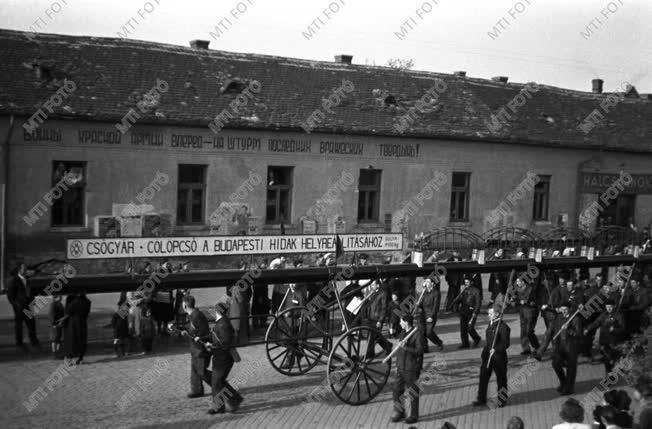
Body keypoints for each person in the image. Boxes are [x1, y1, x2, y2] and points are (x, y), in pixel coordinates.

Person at [534, 302, 582, 395]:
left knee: (571, 369)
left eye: (566, 310)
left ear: (569, 309)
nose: (563, 312)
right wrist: (540, 351)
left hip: (571, 347)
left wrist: (568, 330)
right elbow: (548, 334)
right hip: (559, 347)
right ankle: (563, 382)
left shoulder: (576, 319)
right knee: (556, 364)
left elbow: (579, 334)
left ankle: (569, 388)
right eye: (562, 309)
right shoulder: (557, 318)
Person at [206, 302, 244, 415]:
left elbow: (224, 343)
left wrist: (211, 346)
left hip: (223, 359)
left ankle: (218, 407)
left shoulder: (223, 325)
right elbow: (216, 338)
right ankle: (235, 399)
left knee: (217, 382)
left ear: (217, 312)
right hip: (221, 358)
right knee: (219, 382)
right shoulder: (221, 323)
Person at [473, 306, 510, 408]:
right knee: (483, 377)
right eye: (488, 313)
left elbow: (506, 343)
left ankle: (502, 400)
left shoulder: (503, 327)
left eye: (490, 314)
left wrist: (496, 349)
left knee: (501, 379)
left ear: (497, 314)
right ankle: (481, 398)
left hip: (498, 358)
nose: (488, 315)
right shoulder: (491, 323)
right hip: (488, 356)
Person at [390, 313, 424, 425]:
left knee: (413, 392)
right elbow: (399, 351)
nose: (400, 323)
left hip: (411, 368)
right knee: (396, 389)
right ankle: (400, 412)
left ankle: (414, 415)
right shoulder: (403, 332)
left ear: (406, 322)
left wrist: (406, 347)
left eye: (401, 321)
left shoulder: (417, 334)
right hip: (401, 367)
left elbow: (419, 351)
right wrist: (396, 365)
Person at [182, 295, 212, 398]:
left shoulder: (197, 316)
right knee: (195, 370)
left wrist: (197, 337)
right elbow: (191, 329)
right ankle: (196, 390)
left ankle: (220, 385)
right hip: (195, 349)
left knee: (201, 371)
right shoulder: (192, 315)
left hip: (200, 349)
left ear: (185, 305)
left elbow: (203, 333)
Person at [584, 299, 625, 374]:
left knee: (614, 357)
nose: (609, 308)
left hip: (614, 340)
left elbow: (622, 327)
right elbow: (596, 323)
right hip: (604, 339)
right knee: (606, 358)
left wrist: (615, 329)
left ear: (614, 306)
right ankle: (608, 373)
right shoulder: (603, 314)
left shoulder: (619, 315)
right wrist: (588, 329)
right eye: (607, 307)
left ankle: (617, 370)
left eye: (610, 307)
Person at [6, 262, 39, 347]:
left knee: (31, 324)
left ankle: (34, 341)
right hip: (19, 307)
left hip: (28, 306)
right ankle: (19, 343)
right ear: (19, 270)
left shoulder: (27, 279)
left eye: (26, 268)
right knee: (19, 325)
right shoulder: (14, 280)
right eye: (23, 268)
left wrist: (32, 300)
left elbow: (29, 291)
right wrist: (16, 305)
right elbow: (10, 295)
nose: (25, 270)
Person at [364, 280, 392, 359]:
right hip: (371, 317)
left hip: (377, 319)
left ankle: (369, 354)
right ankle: (388, 345)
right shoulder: (372, 293)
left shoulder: (383, 294)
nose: (372, 286)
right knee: (375, 336)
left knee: (372, 337)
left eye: (373, 285)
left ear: (377, 285)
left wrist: (380, 320)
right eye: (371, 285)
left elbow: (384, 308)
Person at [60, 292, 91, 365]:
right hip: (82, 323)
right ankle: (79, 358)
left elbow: (68, 311)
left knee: (71, 341)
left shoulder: (71, 300)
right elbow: (87, 313)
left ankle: (69, 359)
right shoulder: (87, 301)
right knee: (81, 340)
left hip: (72, 324)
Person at [452, 277, 481, 349]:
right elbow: (458, 300)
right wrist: (456, 301)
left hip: (471, 312)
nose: (466, 284)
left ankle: (476, 338)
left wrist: (475, 312)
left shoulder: (476, 291)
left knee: (470, 328)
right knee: (463, 329)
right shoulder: (463, 290)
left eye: (467, 282)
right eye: (465, 282)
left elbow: (478, 303)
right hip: (463, 311)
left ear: (471, 282)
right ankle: (465, 343)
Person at [513, 277, 540, 355]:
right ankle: (526, 348)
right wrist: (514, 301)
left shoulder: (531, 289)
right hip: (522, 312)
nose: (517, 283)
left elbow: (531, 301)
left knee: (529, 331)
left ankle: (537, 346)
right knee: (523, 331)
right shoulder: (517, 290)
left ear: (523, 282)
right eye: (517, 282)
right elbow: (516, 300)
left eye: (519, 281)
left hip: (531, 312)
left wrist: (524, 301)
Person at [420, 277, 444, 351]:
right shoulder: (424, 292)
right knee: (422, 331)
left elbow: (436, 306)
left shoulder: (436, 293)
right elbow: (421, 303)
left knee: (429, 332)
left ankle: (438, 342)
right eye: (425, 281)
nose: (426, 283)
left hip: (431, 315)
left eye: (428, 282)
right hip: (423, 314)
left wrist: (431, 316)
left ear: (432, 284)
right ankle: (425, 347)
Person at [251, 259, 270, 328]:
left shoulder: (262, 273)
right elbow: (257, 286)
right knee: (259, 309)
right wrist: (260, 296)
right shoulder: (258, 273)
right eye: (264, 264)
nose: (266, 265)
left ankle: (261, 323)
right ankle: (257, 324)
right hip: (260, 294)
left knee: (263, 309)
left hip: (262, 294)